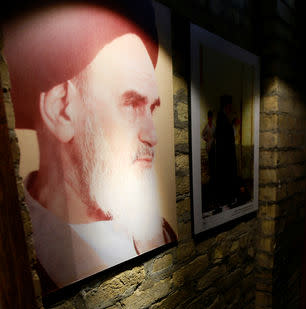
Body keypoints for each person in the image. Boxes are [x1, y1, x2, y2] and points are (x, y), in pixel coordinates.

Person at [2, 3, 177, 293]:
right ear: (62, 111)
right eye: (132, 105)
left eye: (151, 109)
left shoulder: (162, 232)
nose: (152, 135)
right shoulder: (23, 270)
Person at [214, 95, 238, 208]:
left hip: (224, 154)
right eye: (229, 106)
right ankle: (225, 200)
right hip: (225, 155)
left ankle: (225, 199)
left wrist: (232, 123)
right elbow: (225, 136)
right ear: (226, 105)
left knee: (225, 177)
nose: (230, 108)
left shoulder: (222, 117)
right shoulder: (222, 118)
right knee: (225, 177)